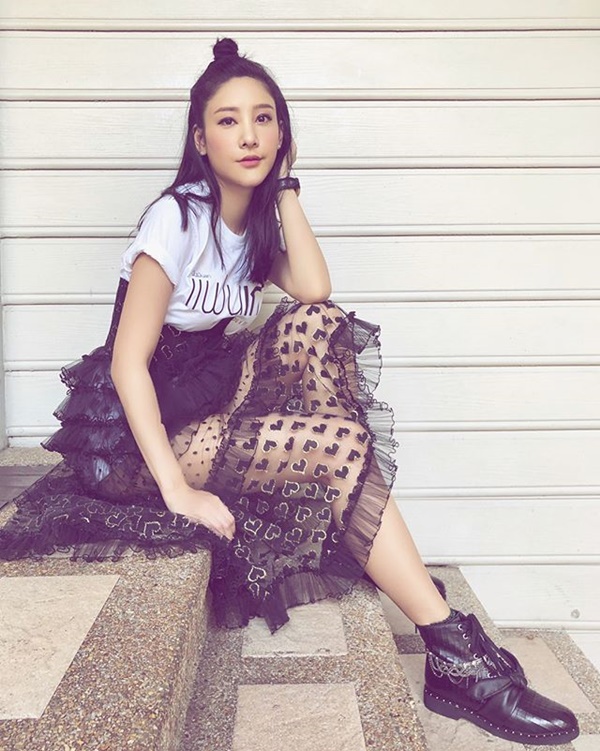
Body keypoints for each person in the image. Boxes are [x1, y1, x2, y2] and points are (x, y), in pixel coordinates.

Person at [0, 38, 578, 746]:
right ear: (200, 139)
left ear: (282, 133)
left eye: (264, 118)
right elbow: (127, 365)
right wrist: (178, 493)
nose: (248, 135)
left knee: (317, 324)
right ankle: (454, 653)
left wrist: (285, 189)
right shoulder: (176, 218)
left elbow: (313, 286)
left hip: (201, 394)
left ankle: (354, 496)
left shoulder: (252, 223)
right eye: (228, 120)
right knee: (335, 445)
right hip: (130, 433)